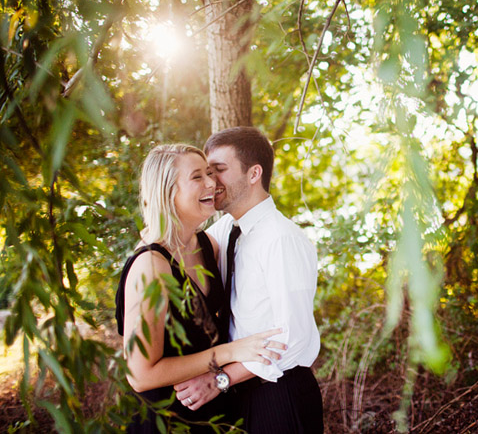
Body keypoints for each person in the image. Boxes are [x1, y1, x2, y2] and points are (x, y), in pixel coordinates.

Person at [115, 144, 286, 433]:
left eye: (210, 172)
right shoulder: (152, 266)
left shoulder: (209, 246)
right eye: (197, 177)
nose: (212, 183)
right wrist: (229, 353)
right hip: (167, 418)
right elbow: (141, 375)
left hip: (213, 412)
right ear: (168, 192)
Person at [173, 127, 324, 433]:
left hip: (280, 394)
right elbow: (178, 244)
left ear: (254, 174)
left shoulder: (282, 238)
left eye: (219, 170)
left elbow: (293, 338)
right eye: (205, 173)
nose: (212, 182)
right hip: (238, 395)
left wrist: (220, 380)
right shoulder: (227, 229)